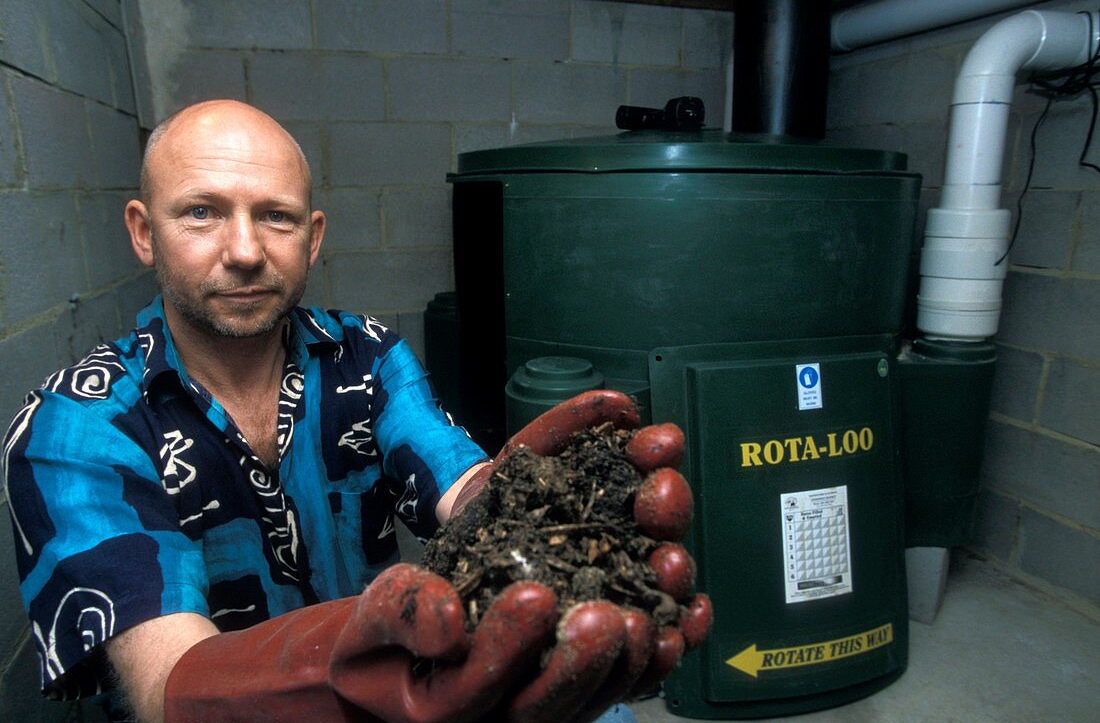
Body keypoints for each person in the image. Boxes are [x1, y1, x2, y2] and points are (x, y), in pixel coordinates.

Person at [2, 100, 708, 723]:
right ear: (144, 230)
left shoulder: (367, 355)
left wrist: (535, 502)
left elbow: (459, 486)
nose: (245, 252)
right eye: (201, 212)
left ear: (311, 237)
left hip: (411, 664)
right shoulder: (75, 425)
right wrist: (342, 682)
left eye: (274, 217)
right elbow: (169, 685)